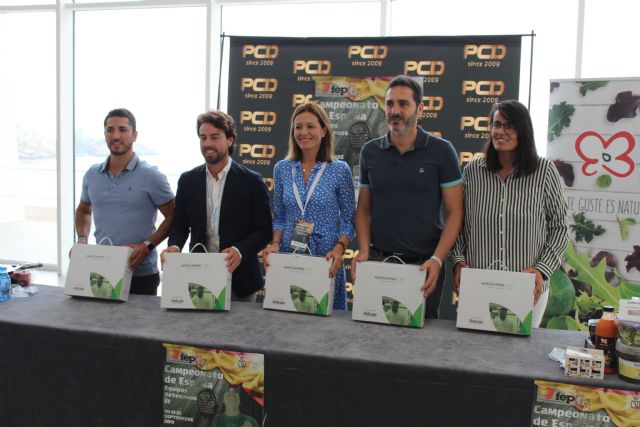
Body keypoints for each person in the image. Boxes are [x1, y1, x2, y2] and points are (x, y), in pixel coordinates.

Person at [352, 75, 463, 319]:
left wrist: (437, 259)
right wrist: (362, 251)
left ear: (420, 108)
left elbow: (455, 213)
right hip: (379, 263)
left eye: (403, 104)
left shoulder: (442, 151)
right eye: (390, 104)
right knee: (373, 338)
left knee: (419, 349)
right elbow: (363, 210)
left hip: (423, 267)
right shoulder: (370, 152)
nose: (395, 111)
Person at [450, 100, 568, 327]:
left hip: (526, 288)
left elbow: (560, 228)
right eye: (496, 125)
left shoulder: (544, 171)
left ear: (523, 131)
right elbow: (458, 224)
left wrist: (541, 271)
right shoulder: (473, 171)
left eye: (509, 126)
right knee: (475, 357)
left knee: (519, 359)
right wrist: (458, 260)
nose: (500, 132)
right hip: (479, 285)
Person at [162, 110, 272, 301]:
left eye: (215, 137)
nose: (207, 144)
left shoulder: (252, 182)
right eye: (203, 138)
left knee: (238, 332)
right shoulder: (188, 180)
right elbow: (180, 225)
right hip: (197, 276)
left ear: (229, 140)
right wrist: (174, 247)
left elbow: (264, 231)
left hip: (240, 279)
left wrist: (239, 250)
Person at [261, 102, 355, 310]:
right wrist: (275, 243)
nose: (303, 132)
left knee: (326, 327)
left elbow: (349, 219)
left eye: (310, 126)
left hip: (326, 258)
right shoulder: (282, 169)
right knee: (288, 317)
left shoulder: (340, 170)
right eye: (298, 127)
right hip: (288, 255)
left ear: (324, 130)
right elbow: (280, 216)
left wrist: (340, 248)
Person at [75, 108, 175, 295]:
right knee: (95, 324)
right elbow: (83, 210)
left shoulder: (152, 176)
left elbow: (173, 217)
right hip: (101, 269)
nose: (116, 135)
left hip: (141, 273)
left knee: (140, 325)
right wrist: (82, 240)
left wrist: (147, 247)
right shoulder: (92, 174)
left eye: (122, 130)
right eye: (110, 130)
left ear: (134, 135)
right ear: (104, 134)